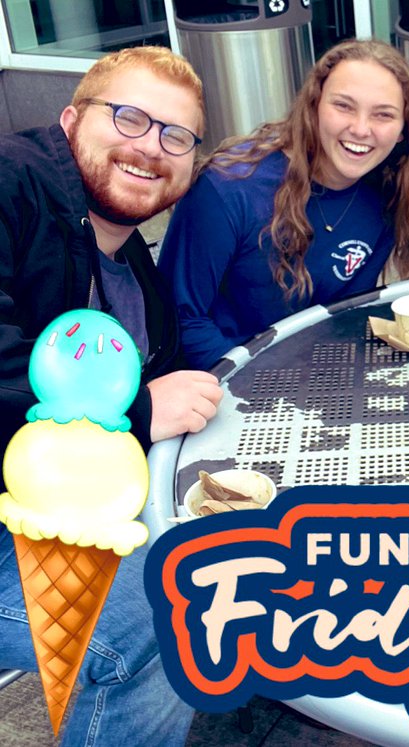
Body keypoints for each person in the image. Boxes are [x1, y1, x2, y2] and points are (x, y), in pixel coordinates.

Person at [0, 46, 217, 744]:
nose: (150, 146)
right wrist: (140, 413)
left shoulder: (128, 261)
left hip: (56, 510)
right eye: (129, 118)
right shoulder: (12, 183)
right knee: (161, 614)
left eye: (174, 135)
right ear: (70, 119)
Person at [159, 39, 409, 371]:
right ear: (314, 106)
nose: (361, 129)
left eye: (383, 115)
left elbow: (345, 316)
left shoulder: (387, 195)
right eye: (344, 106)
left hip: (316, 378)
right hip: (225, 380)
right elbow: (179, 318)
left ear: (402, 131)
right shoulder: (230, 189)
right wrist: (268, 385)